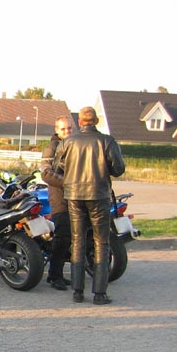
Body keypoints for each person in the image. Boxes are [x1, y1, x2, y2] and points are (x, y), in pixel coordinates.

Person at [54, 107, 125, 305]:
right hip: (99, 195)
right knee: (101, 242)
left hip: (74, 195)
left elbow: (58, 166)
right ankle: (99, 294)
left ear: (80, 122)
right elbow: (118, 169)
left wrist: (73, 169)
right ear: (96, 121)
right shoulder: (107, 141)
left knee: (77, 240)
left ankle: (77, 291)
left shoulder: (68, 142)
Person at [40, 116, 74, 290]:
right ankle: (54, 276)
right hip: (59, 196)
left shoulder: (73, 144)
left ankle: (59, 273)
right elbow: (45, 173)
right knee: (62, 236)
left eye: (69, 128)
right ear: (57, 130)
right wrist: (69, 183)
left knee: (70, 237)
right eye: (63, 129)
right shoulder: (52, 148)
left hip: (75, 196)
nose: (67, 131)